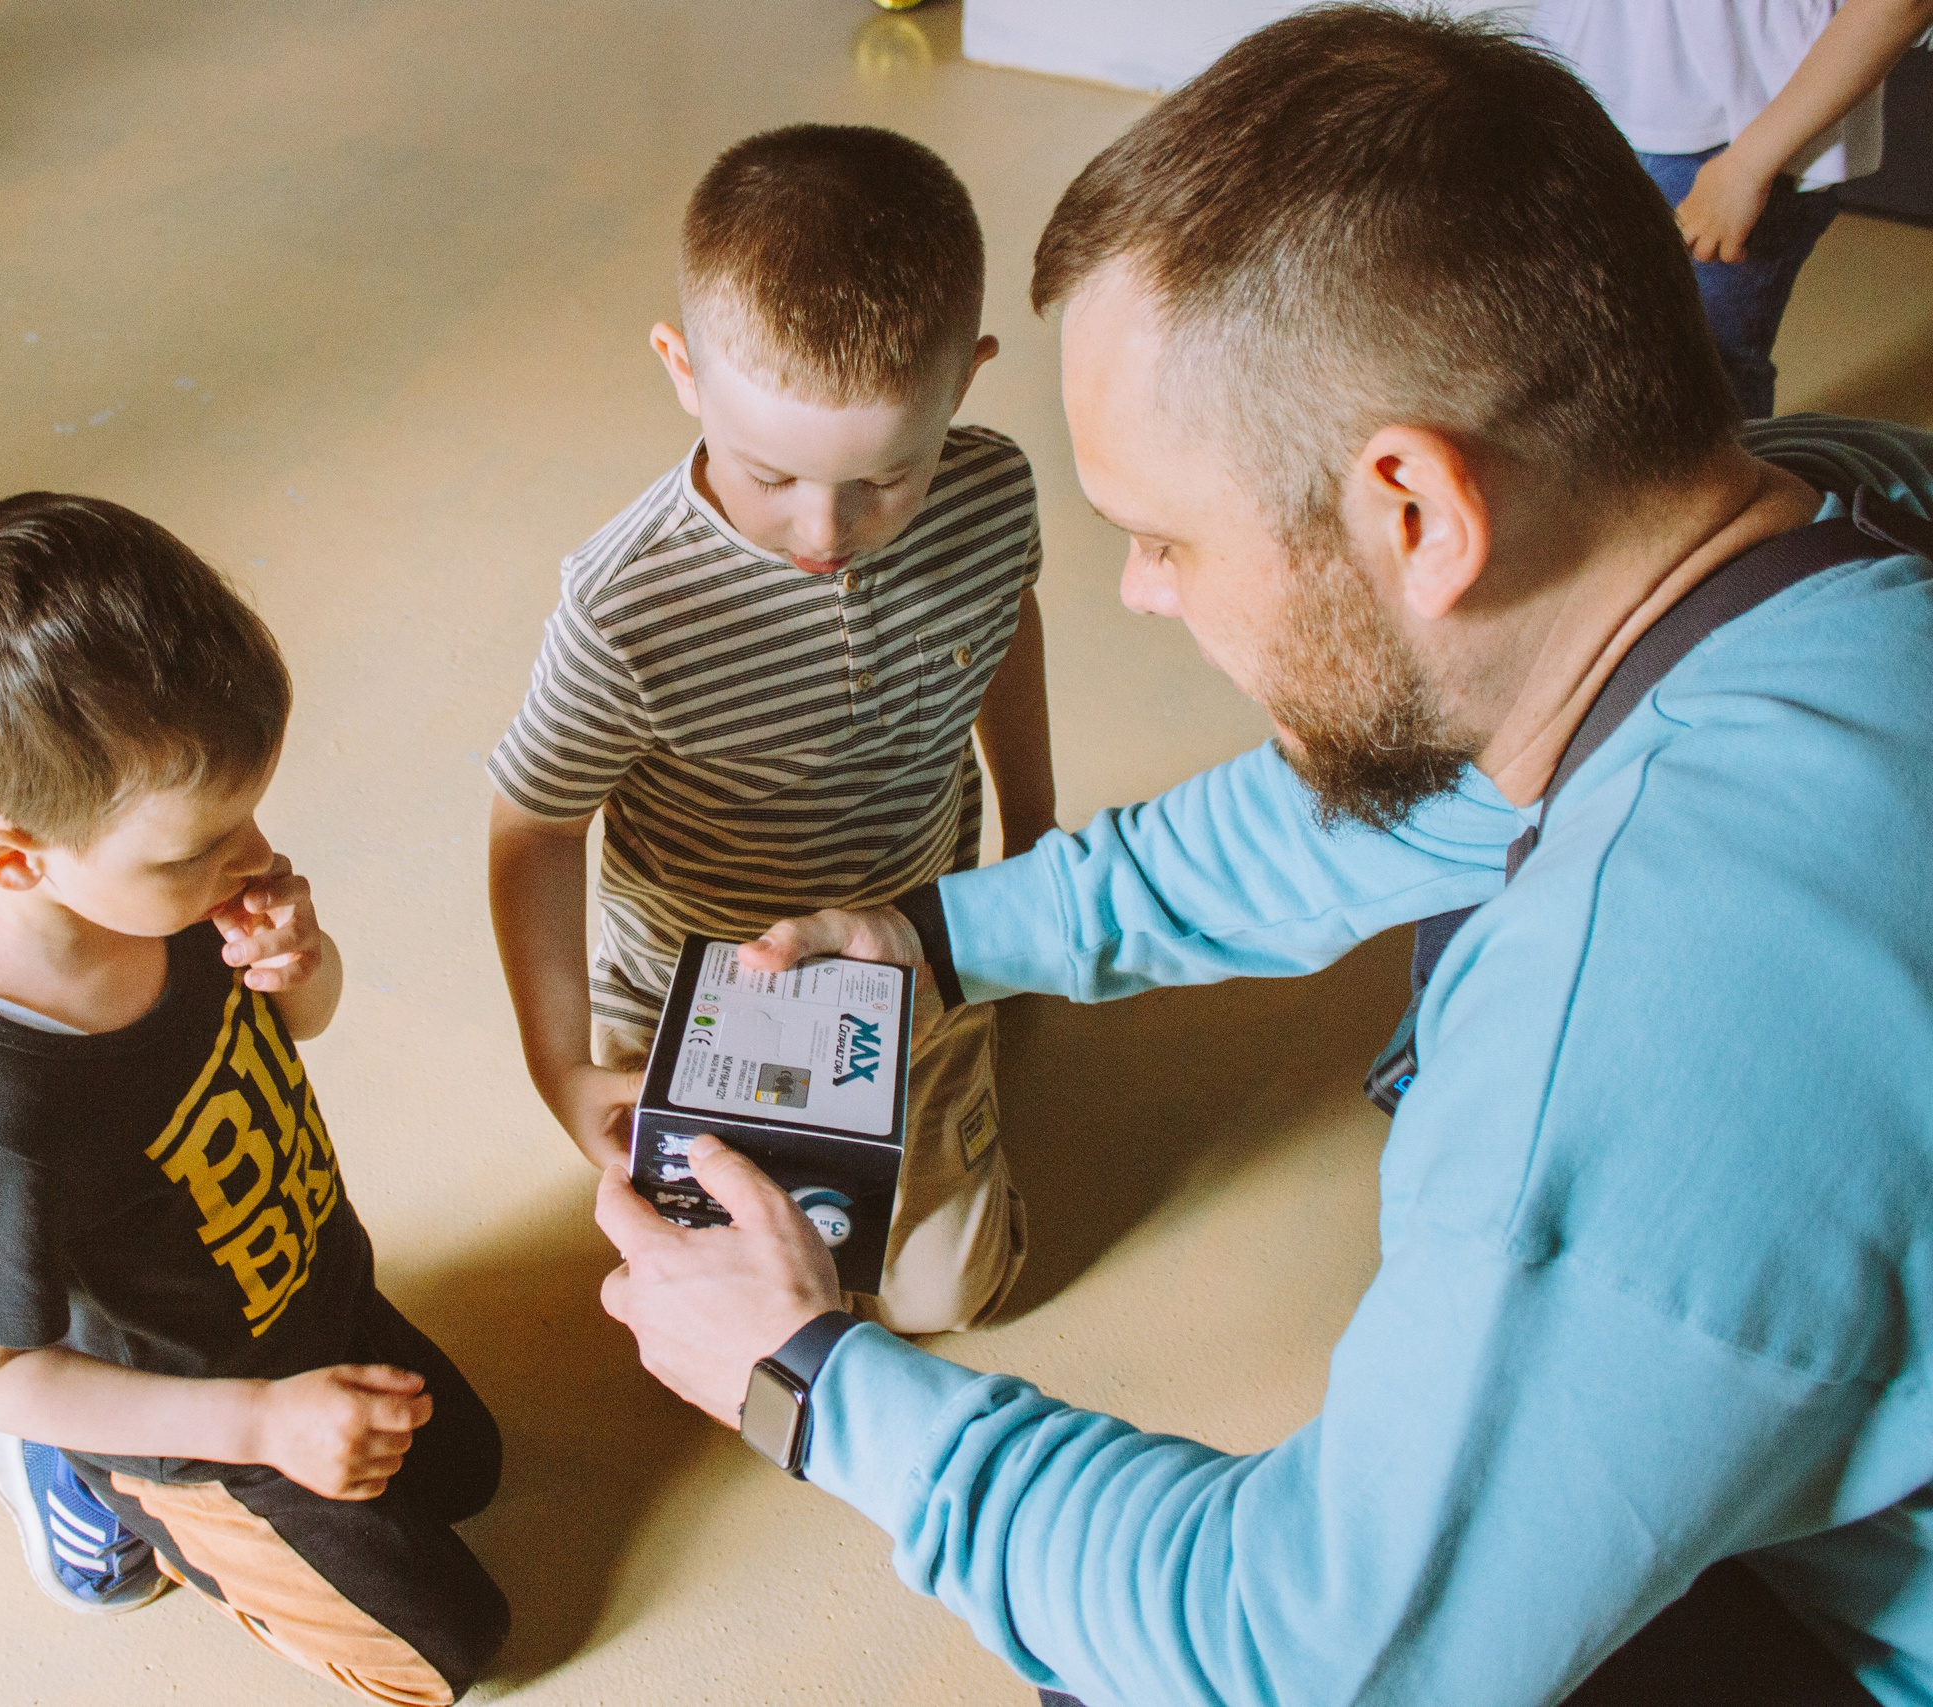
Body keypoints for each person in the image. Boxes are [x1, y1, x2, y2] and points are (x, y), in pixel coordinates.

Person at [593, 9, 1933, 1706]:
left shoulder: (1637, 1029)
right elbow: (1356, 818)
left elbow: (1297, 1657)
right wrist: (934, 935)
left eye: (1163, 536)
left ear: (1415, 514)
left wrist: (808, 1371)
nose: (1141, 593)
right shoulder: (1817, 526)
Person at [0, 495, 506, 1705]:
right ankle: (79, 1471)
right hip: (198, 1412)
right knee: (450, 1652)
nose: (252, 854)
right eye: (198, 846)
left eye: (248, 812)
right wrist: (264, 1427)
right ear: (10, 858)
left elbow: (293, 1029)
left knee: (473, 1470)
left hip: (297, 1289)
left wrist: (299, 964)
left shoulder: (143, 878)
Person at [487, 123, 1056, 1334]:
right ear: (680, 369)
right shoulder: (628, 605)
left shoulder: (993, 490)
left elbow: (1008, 631)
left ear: (964, 379)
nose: (823, 530)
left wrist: (1038, 843)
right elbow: (534, 826)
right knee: (719, 1303)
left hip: (914, 952)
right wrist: (560, 1068)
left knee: (948, 1300)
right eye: (770, 474)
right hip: (698, 998)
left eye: (883, 480)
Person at [1530, 0, 1933, 419]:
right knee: (1576, 358)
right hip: (1579, 83)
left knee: (1704, 379)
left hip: (1734, 136)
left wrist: (1747, 166)